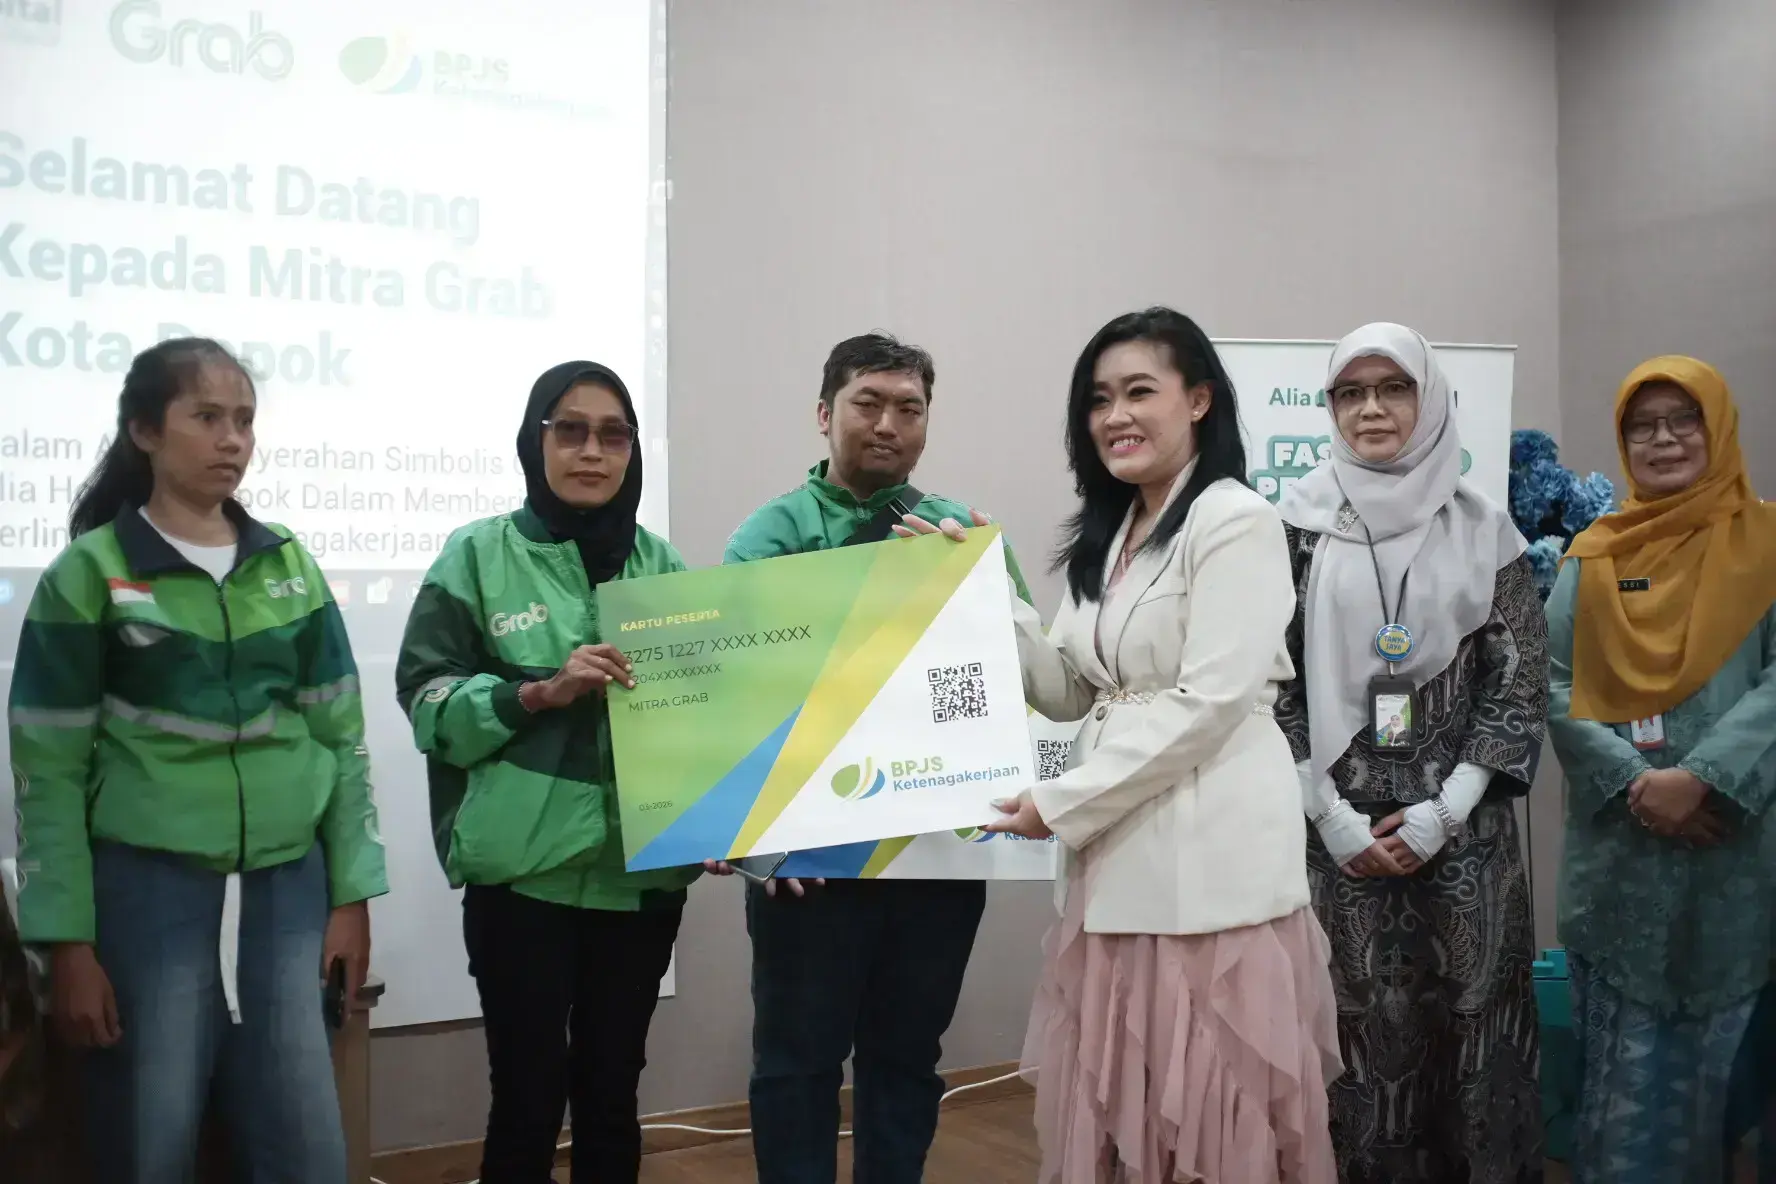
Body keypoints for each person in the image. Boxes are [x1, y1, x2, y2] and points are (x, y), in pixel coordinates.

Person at [908, 307, 1342, 1183]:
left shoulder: (1235, 519)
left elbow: (1209, 703)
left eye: (1140, 391)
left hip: (1209, 858)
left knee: (1205, 1104)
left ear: (1199, 400)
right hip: (1117, 857)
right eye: (1099, 399)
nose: (1116, 416)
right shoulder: (1113, 533)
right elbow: (1071, 688)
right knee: (1124, 1105)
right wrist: (982, 591)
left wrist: (1060, 803)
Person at [7, 337, 386, 1182]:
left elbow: (342, 741)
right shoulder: (90, 573)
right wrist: (67, 943)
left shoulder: (288, 566)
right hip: (148, 890)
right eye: (207, 417)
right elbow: (48, 773)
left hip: (288, 890)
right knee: (150, 1140)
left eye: (244, 420)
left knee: (306, 1150)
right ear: (145, 430)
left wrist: (352, 894)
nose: (232, 440)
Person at [720, 332, 1032, 1184]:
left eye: (909, 408)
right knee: (796, 1059)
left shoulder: (962, 532)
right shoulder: (769, 535)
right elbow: (736, 695)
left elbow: (1020, 675)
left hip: (933, 850)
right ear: (825, 413)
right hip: (807, 858)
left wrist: (962, 582)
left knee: (906, 1056)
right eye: (868, 403)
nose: (888, 424)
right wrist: (751, 835)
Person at [394, 361, 699, 1184]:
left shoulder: (664, 567)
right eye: (571, 430)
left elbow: (698, 724)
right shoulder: (477, 555)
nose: (592, 451)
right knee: (526, 1098)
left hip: (637, 881)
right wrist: (536, 693)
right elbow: (425, 700)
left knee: (612, 1094)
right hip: (521, 880)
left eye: (614, 435)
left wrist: (716, 816)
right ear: (537, 442)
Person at [1274, 322, 1547, 1183]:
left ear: (1429, 401)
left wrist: (1446, 810)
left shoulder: (1485, 528)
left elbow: (1518, 679)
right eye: (1350, 393)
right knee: (1345, 1033)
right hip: (1334, 839)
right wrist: (1331, 817)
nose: (1371, 409)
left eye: (1393, 388)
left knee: (1470, 1027)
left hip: (1463, 842)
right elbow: (1269, 680)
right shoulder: (1295, 526)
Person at [1547, 356, 1776, 1183]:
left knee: (1742, 1085)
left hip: (1737, 852)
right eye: (1642, 425)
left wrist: (1703, 775)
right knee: (1624, 1086)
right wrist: (1637, 783)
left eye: (1684, 419)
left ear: (1719, 428)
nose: (1664, 439)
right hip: (1623, 856)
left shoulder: (1769, 543)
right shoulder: (1593, 555)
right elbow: (1553, 682)